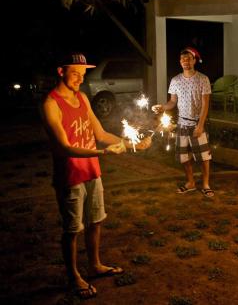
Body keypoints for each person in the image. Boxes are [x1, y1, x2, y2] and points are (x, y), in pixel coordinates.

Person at [42, 52, 151, 299]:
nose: (80, 79)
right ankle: (74, 276)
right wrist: (103, 152)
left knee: (96, 220)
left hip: (92, 171)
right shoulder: (51, 104)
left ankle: (94, 265)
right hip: (70, 175)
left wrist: (130, 143)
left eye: (83, 74)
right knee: (72, 229)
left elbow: (100, 133)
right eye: (75, 73)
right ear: (61, 71)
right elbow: (65, 147)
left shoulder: (81, 98)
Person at [152, 47, 213, 197]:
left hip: (197, 123)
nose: (185, 62)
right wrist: (162, 107)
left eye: (188, 59)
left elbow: (205, 105)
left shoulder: (203, 79)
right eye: (183, 60)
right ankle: (190, 182)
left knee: (204, 157)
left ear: (194, 60)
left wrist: (200, 125)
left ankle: (205, 184)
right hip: (182, 123)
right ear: (180, 62)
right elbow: (172, 102)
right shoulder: (175, 80)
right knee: (184, 157)